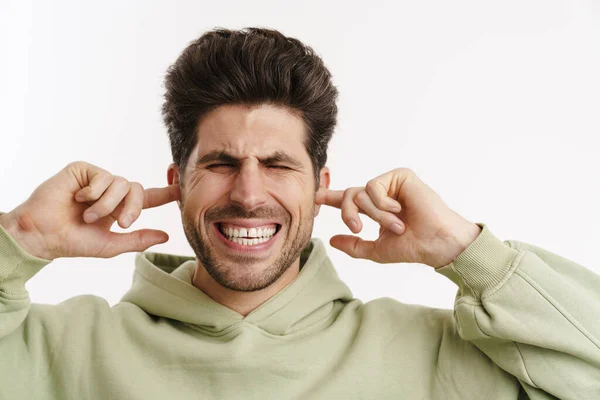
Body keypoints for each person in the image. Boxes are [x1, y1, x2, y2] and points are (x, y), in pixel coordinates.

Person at [0, 27, 598, 400]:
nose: (249, 193)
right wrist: (17, 238)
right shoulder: (58, 350)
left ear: (322, 188)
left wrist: (466, 252)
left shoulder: (435, 355)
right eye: (222, 163)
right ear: (177, 183)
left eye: (279, 164)